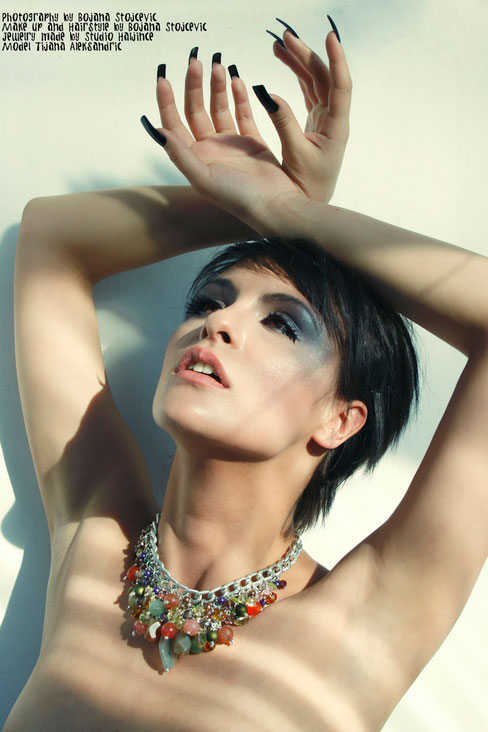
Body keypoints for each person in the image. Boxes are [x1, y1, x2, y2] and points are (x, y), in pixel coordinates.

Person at [5, 18, 487, 732]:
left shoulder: (366, 616)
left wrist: (286, 210)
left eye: (283, 324)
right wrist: (257, 197)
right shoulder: (94, 532)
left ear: (340, 419)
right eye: (209, 301)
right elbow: (50, 236)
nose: (219, 323)